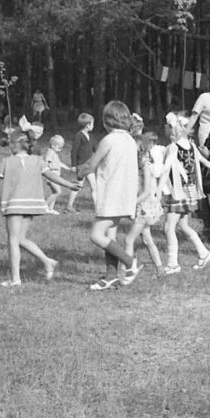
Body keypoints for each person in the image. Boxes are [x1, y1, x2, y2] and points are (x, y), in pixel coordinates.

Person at [0, 130, 78, 286]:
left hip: (14, 204)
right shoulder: (37, 160)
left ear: (15, 145)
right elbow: (53, 176)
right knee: (20, 239)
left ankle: (15, 279)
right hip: (31, 204)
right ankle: (48, 262)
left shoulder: (7, 162)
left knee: (13, 240)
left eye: (10, 143)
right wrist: (69, 185)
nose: (8, 146)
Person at [76, 100, 140, 291]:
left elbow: (91, 165)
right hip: (126, 195)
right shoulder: (130, 140)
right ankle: (111, 277)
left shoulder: (109, 140)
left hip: (111, 194)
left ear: (106, 121)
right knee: (110, 235)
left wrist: (77, 174)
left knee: (96, 235)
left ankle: (130, 262)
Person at [157, 112, 210, 274]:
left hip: (177, 192)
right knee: (183, 225)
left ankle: (173, 263)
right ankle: (204, 253)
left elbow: (165, 171)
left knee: (169, 227)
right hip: (190, 191)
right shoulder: (192, 146)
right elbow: (205, 162)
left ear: (172, 130)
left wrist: (158, 192)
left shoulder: (172, 147)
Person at [122, 130, 166, 278]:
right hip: (143, 206)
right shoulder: (140, 166)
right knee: (147, 239)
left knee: (129, 239)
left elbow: (147, 191)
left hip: (144, 207)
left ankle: (128, 272)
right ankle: (160, 268)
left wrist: (132, 203)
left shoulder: (146, 167)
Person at [66, 113, 97, 214]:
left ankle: (97, 208)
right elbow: (74, 151)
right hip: (81, 165)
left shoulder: (91, 136)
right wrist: (74, 165)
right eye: (92, 123)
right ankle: (69, 206)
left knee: (94, 186)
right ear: (87, 125)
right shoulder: (79, 136)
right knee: (78, 186)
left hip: (89, 166)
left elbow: (96, 149)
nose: (93, 126)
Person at [42, 134, 74, 214]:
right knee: (58, 192)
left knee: (54, 192)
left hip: (56, 176)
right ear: (53, 145)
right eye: (58, 147)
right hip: (52, 176)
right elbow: (46, 162)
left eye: (61, 148)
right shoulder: (50, 152)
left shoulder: (54, 153)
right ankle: (44, 206)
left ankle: (50, 209)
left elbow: (59, 163)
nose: (60, 149)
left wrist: (68, 168)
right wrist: (47, 171)